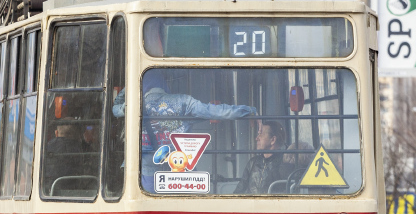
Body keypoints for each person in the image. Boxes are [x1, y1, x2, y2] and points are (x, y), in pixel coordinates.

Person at [115, 71, 257, 190]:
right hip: (179, 174)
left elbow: (115, 108)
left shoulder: (132, 105)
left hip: (144, 174)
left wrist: (129, 89)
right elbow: (218, 112)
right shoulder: (183, 101)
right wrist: (248, 111)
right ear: (165, 83)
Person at [236, 120, 291, 194]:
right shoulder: (253, 162)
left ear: (273, 140)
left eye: (261, 134)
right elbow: (240, 190)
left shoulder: (285, 162)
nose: (257, 138)